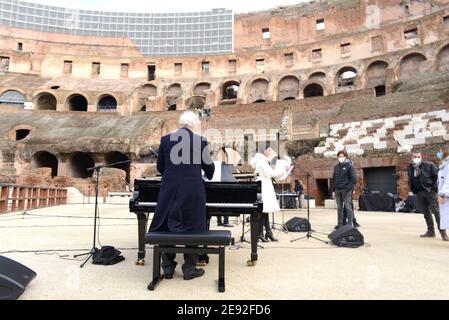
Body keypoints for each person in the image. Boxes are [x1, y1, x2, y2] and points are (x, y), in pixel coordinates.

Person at [148, 111, 215, 280]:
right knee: (193, 224)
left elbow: (160, 168)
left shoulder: (165, 140)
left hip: (169, 190)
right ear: (193, 125)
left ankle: (168, 268)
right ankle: (189, 268)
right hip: (193, 191)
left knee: (166, 225)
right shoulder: (200, 141)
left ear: (180, 124)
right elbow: (210, 170)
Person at [250, 148, 289, 242]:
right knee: (263, 210)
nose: (270, 152)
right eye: (268, 150)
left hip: (264, 185)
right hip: (264, 186)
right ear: (264, 151)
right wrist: (283, 169)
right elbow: (271, 173)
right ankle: (261, 233)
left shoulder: (261, 160)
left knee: (265, 210)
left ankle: (267, 232)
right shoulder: (262, 161)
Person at [407, 151, 448, 240]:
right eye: (414, 156)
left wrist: (433, 189)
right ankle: (430, 231)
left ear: (421, 157)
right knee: (426, 212)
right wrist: (414, 190)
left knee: (436, 212)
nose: (416, 158)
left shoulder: (429, 165)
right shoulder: (410, 167)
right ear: (411, 157)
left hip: (430, 192)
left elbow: (437, 177)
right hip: (419, 193)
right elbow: (411, 178)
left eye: (418, 156)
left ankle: (443, 233)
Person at [332, 150, 357, 229]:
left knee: (348, 207)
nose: (340, 158)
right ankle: (339, 224)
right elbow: (334, 179)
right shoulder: (336, 167)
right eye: (339, 156)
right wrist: (333, 190)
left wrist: (348, 188)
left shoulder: (349, 166)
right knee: (339, 207)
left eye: (342, 156)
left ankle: (350, 224)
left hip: (345, 190)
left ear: (345, 157)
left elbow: (354, 178)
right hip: (337, 190)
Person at [438, 147, 449, 235]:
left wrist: (443, 194)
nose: (439, 153)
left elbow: (448, 181)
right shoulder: (444, 164)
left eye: (440, 152)